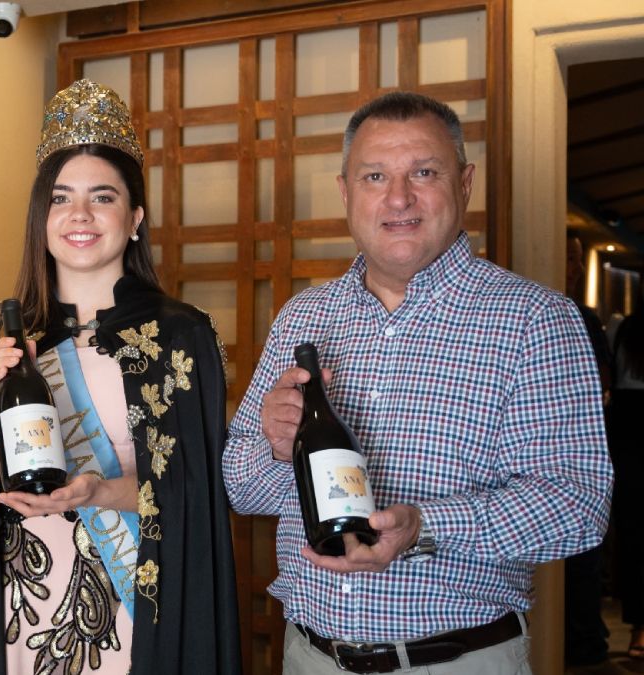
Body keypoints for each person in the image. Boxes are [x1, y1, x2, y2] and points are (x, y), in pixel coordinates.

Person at [224, 91, 613, 674]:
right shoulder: (302, 319)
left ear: (465, 182)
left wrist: (427, 526)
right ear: (346, 192)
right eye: (375, 175)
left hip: (459, 660)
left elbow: (579, 504)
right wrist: (279, 452)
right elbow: (242, 491)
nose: (398, 197)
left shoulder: (535, 319)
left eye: (423, 172)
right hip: (309, 656)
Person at [0, 79, 241, 674]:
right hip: (25, 602)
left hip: (136, 604)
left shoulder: (180, 336)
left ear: (135, 216)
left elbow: (195, 494)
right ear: (40, 215)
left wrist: (98, 491)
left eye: (103, 196)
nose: (80, 215)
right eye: (61, 197)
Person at [562, 235, 613, 669]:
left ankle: (586, 652)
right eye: (569, 258)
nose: (574, 267)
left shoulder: (577, 318)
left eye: (578, 259)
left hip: (582, 461)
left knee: (582, 561)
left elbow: (601, 391)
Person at [609, 312, 644, 661]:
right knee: (634, 537)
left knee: (634, 535)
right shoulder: (625, 327)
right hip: (628, 437)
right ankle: (639, 627)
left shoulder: (625, 328)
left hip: (626, 435)